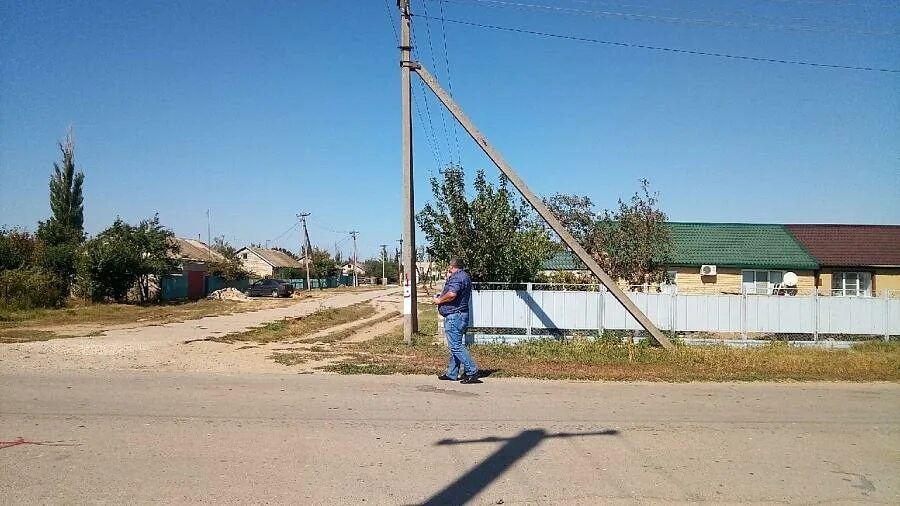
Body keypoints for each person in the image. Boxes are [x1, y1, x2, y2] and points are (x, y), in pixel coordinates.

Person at [431, 257, 480, 384]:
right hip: (460, 315)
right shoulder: (465, 276)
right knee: (455, 345)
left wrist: (439, 300)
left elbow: (452, 294)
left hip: (455, 316)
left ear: (452, 266)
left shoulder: (457, 277)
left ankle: (472, 371)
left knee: (456, 346)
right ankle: (452, 373)